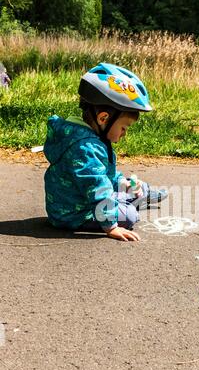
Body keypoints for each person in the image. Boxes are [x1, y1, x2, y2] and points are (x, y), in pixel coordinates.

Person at [44, 62, 168, 242]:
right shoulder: (84, 148)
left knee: (126, 188)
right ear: (103, 118)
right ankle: (133, 199)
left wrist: (122, 182)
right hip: (73, 214)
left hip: (82, 200)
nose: (125, 133)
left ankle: (136, 193)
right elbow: (98, 188)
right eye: (124, 127)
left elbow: (104, 173)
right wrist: (111, 227)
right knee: (130, 216)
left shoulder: (89, 138)